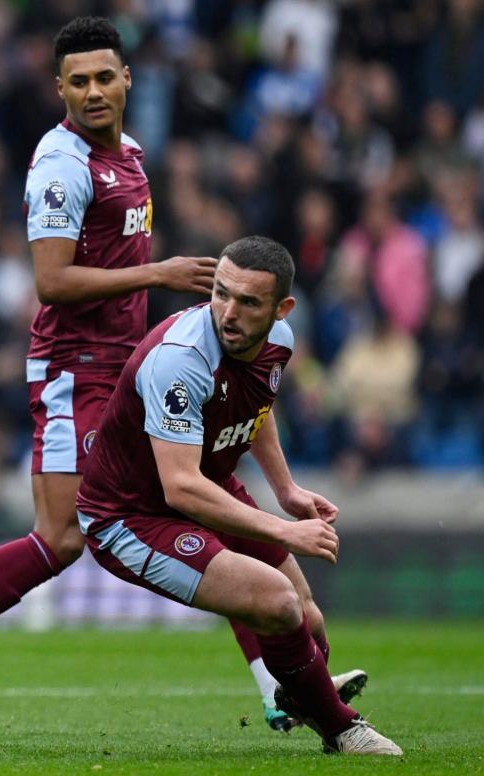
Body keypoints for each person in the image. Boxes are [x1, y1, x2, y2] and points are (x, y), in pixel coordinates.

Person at [0, 16, 307, 734]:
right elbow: (50, 282)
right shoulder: (60, 164)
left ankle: (276, 686)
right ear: (58, 88)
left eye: (103, 77)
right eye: (77, 80)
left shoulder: (131, 156)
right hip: (75, 371)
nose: (91, 91)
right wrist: (162, 273)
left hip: (127, 365)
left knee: (199, 496)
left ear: (127, 80)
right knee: (59, 538)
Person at [76, 236, 402, 756]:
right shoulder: (180, 360)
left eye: (248, 302)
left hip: (206, 482)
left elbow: (257, 406)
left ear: (281, 310)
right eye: (221, 294)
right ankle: (340, 728)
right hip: (130, 516)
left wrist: (286, 490)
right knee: (276, 600)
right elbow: (179, 486)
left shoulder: (279, 342)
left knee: (309, 620)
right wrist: (281, 527)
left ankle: (297, 694)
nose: (228, 313)